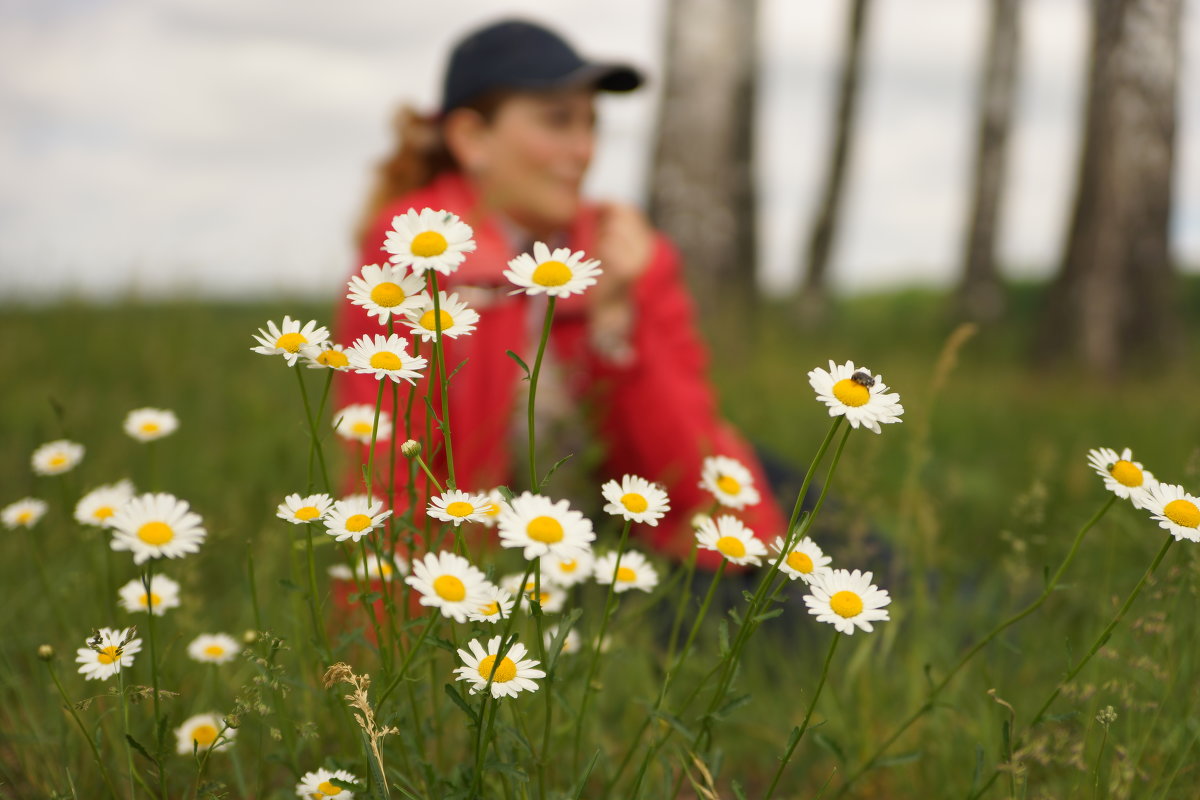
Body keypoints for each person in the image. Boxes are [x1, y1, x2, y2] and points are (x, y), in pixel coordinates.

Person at [334, 18, 789, 569]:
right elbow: (385, 469)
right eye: (557, 121)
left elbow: (683, 469)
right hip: (504, 564)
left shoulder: (628, 251)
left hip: (630, 541)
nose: (584, 150)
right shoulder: (413, 254)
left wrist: (618, 320)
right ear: (471, 138)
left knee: (860, 565)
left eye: (591, 124)